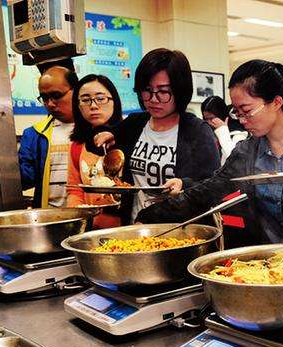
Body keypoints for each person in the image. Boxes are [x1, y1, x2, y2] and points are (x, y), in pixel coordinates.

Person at [136, 59, 283, 245]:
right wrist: (148, 217)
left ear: (276, 102)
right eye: (237, 113)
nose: (242, 120)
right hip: (265, 268)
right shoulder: (247, 152)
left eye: (247, 111)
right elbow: (207, 192)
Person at [94, 48, 220, 223]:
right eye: (147, 90)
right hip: (135, 228)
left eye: (163, 91)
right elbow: (101, 147)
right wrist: (105, 136)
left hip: (179, 230)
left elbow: (211, 186)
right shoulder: (135, 123)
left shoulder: (197, 131)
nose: (153, 99)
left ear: (180, 90)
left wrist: (184, 184)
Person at [65, 74, 123, 228]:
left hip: (128, 227)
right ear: (78, 106)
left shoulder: (129, 138)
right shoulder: (77, 145)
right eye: (85, 100)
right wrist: (78, 213)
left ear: (114, 101)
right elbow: (74, 189)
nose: (93, 105)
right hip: (91, 229)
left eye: (101, 98)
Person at [18, 64, 79, 208]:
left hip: (90, 218)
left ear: (76, 91)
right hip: (49, 218)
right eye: (44, 98)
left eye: (56, 96)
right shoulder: (34, 135)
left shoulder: (96, 131)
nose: (50, 104)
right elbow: (25, 179)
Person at [201, 95, 247, 163]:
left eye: (212, 118)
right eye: (206, 119)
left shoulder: (239, 134)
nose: (209, 123)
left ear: (222, 116)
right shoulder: (206, 132)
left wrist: (222, 132)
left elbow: (236, 160)